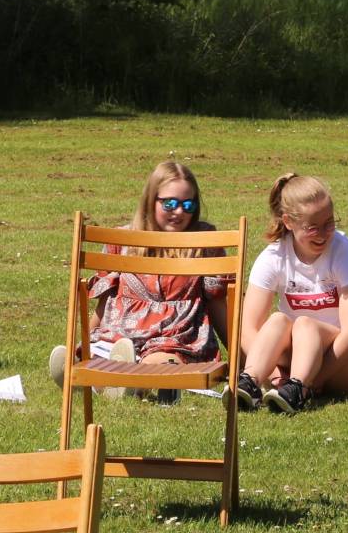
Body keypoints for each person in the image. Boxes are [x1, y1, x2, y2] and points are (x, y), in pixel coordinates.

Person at [48, 161, 229, 401]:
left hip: (173, 340)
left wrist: (245, 364)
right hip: (118, 338)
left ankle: (115, 382)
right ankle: (100, 376)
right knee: (106, 353)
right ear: (151, 200)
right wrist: (82, 343)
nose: (179, 212)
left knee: (160, 365)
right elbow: (105, 305)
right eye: (170, 203)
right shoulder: (122, 241)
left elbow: (220, 306)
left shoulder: (203, 244)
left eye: (188, 205)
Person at [227, 173, 348, 414]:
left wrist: (315, 379)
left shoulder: (346, 252)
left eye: (329, 223)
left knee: (305, 325)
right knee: (277, 321)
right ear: (288, 222)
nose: (324, 234)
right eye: (313, 227)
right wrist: (274, 375)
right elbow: (248, 329)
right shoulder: (273, 256)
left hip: (347, 361)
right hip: (296, 357)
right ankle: (249, 383)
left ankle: (298, 389)